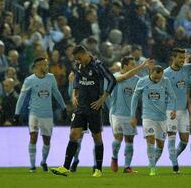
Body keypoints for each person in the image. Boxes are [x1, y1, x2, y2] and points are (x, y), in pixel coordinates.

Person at [51, 45, 116, 177]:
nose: (77, 61)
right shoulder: (79, 65)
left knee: (97, 138)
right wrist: (75, 94)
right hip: (81, 108)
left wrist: (102, 99)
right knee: (73, 135)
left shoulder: (98, 65)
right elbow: (77, 78)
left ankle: (98, 169)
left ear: (85, 54)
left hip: (94, 108)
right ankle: (65, 167)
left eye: (78, 58)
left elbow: (112, 80)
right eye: (75, 59)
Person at [14, 56, 66, 173]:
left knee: (47, 140)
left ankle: (43, 161)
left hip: (47, 114)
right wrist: (16, 113)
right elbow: (21, 97)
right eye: (43, 64)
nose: (46, 66)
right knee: (33, 137)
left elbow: (56, 93)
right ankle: (32, 166)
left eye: (46, 64)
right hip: (34, 113)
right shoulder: (29, 80)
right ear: (37, 66)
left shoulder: (51, 78)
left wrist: (64, 107)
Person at [130, 65, 177, 176]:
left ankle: (152, 163)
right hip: (148, 117)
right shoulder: (142, 81)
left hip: (162, 118)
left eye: (159, 78)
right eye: (156, 77)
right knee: (150, 139)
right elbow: (134, 98)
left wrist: (174, 109)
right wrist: (132, 115)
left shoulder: (165, 81)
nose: (157, 80)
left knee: (160, 145)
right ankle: (152, 168)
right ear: (151, 73)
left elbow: (173, 96)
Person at [110, 56, 152, 173]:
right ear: (124, 66)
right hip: (116, 113)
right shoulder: (115, 76)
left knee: (129, 140)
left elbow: (149, 84)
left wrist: (149, 71)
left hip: (130, 115)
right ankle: (114, 158)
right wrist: (142, 66)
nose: (134, 66)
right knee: (118, 139)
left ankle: (127, 167)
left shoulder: (137, 80)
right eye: (132, 64)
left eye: (135, 64)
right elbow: (125, 76)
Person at [163, 48, 191, 174]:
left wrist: (189, 103)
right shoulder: (165, 73)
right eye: (180, 57)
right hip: (171, 111)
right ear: (173, 58)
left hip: (184, 111)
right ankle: (175, 166)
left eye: (184, 58)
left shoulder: (186, 69)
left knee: (185, 140)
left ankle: (172, 156)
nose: (182, 60)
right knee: (172, 138)